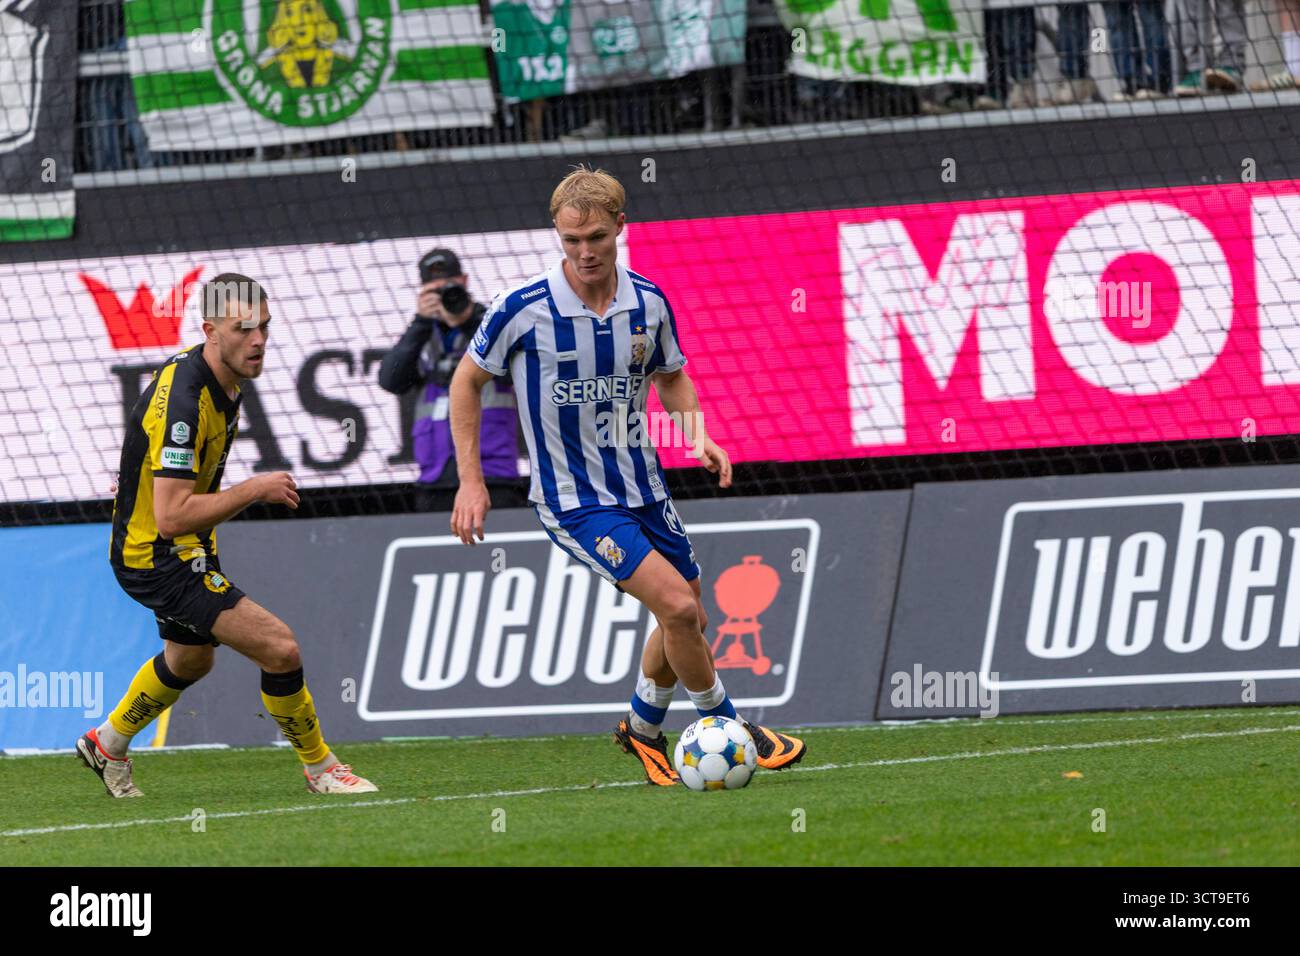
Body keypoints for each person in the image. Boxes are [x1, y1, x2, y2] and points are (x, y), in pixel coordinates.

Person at [448, 166, 806, 786]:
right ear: (557, 236)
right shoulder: (522, 310)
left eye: (595, 238)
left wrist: (699, 435)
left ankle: (641, 730)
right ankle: (733, 727)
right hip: (575, 502)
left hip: (646, 487)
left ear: (620, 226)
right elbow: (466, 381)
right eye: (570, 241)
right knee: (676, 607)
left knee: (688, 610)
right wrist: (471, 481)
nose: (584, 253)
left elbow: (670, 377)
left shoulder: (649, 302)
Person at [79, 274, 376, 797]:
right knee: (280, 649)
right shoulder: (185, 401)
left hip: (184, 548)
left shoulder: (226, 378)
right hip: (158, 555)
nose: (258, 339)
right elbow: (171, 517)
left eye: (265, 326)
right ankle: (321, 768)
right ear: (210, 331)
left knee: (191, 659)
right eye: (244, 329)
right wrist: (253, 489)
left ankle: (107, 743)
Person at [378, 248, 525, 512]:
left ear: (465, 282)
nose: (446, 295)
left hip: (493, 474)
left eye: (450, 287)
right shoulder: (421, 335)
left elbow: (516, 371)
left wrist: (467, 321)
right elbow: (391, 380)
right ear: (423, 293)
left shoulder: (490, 324)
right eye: (435, 290)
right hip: (435, 479)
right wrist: (421, 321)